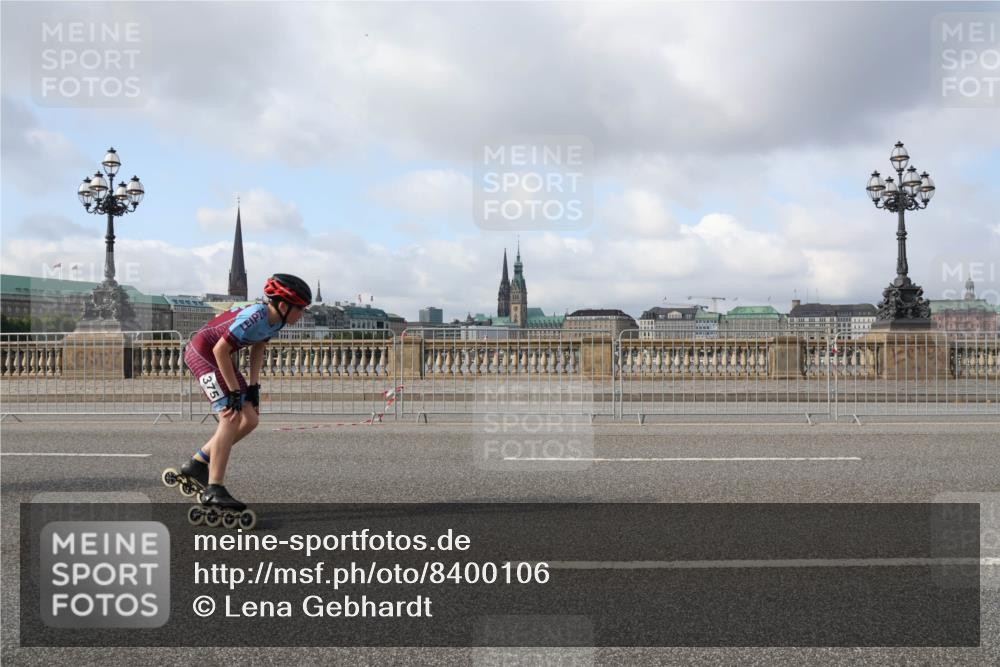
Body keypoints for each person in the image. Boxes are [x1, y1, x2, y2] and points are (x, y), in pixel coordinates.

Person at [177, 274, 311, 512]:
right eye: (299, 309)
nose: (301, 315)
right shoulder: (255, 315)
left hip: (221, 357)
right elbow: (220, 349)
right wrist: (235, 391)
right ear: (283, 305)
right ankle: (214, 488)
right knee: (231, 416)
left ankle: (198, 463)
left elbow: (259, 346)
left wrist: (253, 386)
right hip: (203, 353)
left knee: (250, 420)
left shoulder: (277, 320)